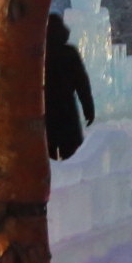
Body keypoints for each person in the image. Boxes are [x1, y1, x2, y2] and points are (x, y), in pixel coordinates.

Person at [45, 13, 96, 162]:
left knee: (47, 159)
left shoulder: (38, 55)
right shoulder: (69, 53)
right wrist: (88, 107)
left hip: (44, 111)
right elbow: (82, 83)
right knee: (72, 157)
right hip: (66, 110)